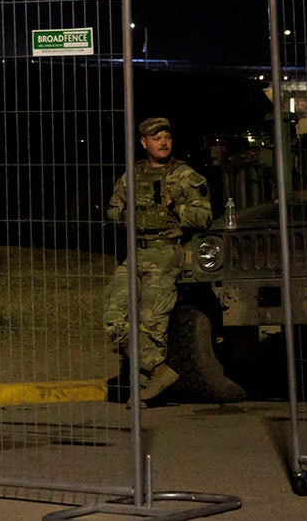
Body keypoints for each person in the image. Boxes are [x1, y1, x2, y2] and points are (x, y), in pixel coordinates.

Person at [104, 117, 212, 402]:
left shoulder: (185, 175)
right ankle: (158, 369)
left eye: (167, 137)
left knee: (151, 325)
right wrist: (132, 213)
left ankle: (142, 392)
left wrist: (174, 207)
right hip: (136, 252)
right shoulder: (131, 176)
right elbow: (113, 211)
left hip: (166, 253)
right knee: (113, 318)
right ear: (143, 143)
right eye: (156, 138)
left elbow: (204, 217)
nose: (163, 142)